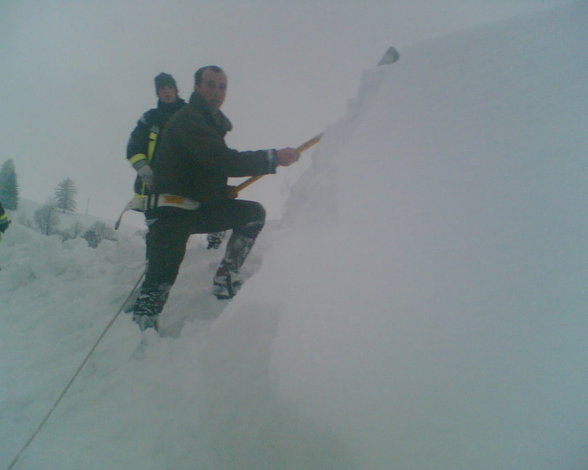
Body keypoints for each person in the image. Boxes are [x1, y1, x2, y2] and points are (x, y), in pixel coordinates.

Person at [131, 65, 299, 331]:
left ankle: (226, 278)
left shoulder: (210, 123)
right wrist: (272, 157)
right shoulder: (189, 119)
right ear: (197, 87)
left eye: (222, 87)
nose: (216, 92)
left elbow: (204, 172)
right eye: (210, 85)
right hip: (169, 212)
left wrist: (221, 193)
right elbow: (222, 161)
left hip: (196, 210)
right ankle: (139, 329)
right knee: (160, 281)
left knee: (252, 214)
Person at [126, 72, 186, 197]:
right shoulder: (149, 118)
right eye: (162, 89)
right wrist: (145, 171)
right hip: (155, 189)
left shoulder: (190, 114)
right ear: (158, 93)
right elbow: (133, 147)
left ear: (176, 90)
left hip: (185, 185)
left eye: (170, 87)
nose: (167, 91)